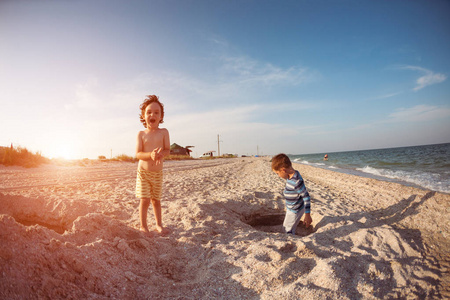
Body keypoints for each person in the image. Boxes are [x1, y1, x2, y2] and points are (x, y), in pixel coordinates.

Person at [136, 95, 170, 235]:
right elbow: (138, 154)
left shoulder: (164, 132)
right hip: (143, 173)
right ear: (144, 116)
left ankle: (159, 224)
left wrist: (162, 154)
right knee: (144, 200)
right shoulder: (141, 134)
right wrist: (150, 155)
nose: (152, 115)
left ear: (161, 116)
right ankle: (143, 226)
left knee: (156, 200)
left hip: (157, 173)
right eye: (149, 112)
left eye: (156, 112)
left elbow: (168, 150)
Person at [272, 153, 312, 235]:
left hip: (296, 210)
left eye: (277, 173)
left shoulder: (297, 182)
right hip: (290, 208)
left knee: (289, 230)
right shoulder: (290, 176)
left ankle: (291, 240)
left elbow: (306, 197)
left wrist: (307, 215)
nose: (278, 176)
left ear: (283, 170)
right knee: (285, 226)